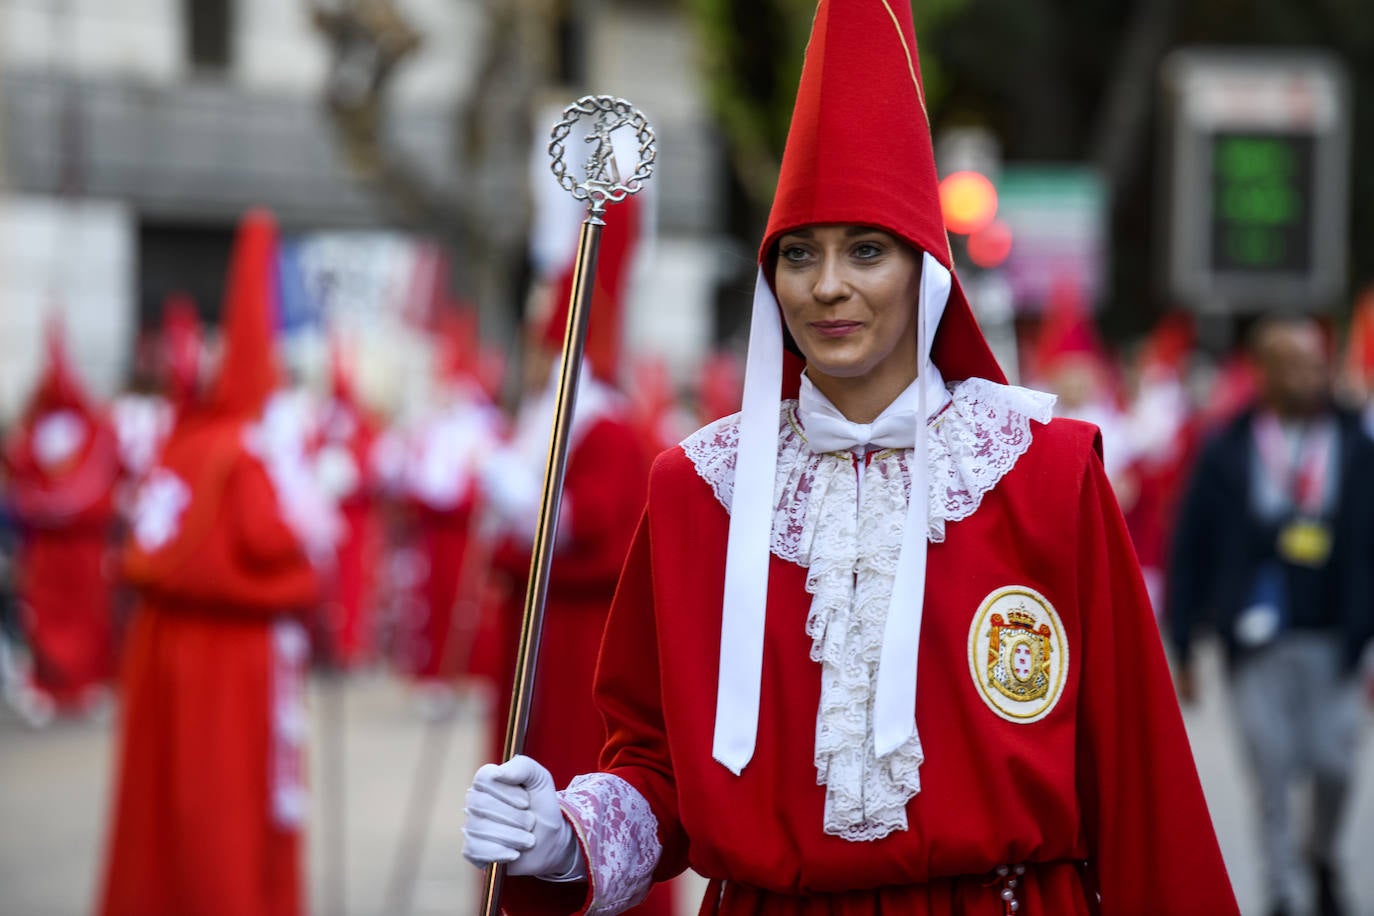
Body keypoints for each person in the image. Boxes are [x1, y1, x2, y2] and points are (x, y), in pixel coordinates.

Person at [460, 2, 1238, 913]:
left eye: (866, 251)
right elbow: (656, 769)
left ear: (926, 273)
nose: (828, 286)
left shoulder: (1044, 474)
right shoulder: (696, 490)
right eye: (799, 254)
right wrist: (567, 834)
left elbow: (1139, 779)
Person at [98, 210, 335, 916]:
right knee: (220, 824)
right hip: (228, 664)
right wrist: (309, 547)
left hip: (173, 655)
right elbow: (264, 546)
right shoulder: (240, 453)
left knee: (169, 816)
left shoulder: (193, 442)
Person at [1169, 314, 1373, 916]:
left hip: (1335, 637)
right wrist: (1184, 644)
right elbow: (1191, 547)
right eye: (1292, 364)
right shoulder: (1226, 449)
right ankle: (1283, 891)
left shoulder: (1355, 446)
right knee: (1273, 769)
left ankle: (1321, 853)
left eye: (1315, 362)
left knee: (1336, 763)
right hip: (1254, 639)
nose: (1308, 376)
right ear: (1262, 371)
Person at [1, 318, 121, 724]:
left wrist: (59, 506)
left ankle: (86, 683)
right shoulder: (33, 435)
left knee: (88, 614)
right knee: (44, 616)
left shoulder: (93, 431)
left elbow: (102, 484)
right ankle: (50, 685)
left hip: (84, 547)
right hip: (46, 549)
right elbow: (20, 483)